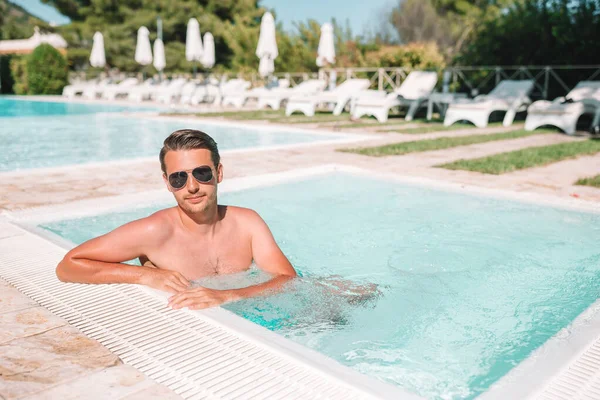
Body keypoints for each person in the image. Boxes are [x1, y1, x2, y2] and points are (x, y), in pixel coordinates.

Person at [56, 129, 297, 310]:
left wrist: (228, 295)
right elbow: (68, 265)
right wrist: (147, 275)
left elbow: (287, 279)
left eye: (202, 174)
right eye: (179, 178)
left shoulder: (247, 223)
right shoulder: (154, 232)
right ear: (167, 183)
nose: (191, 187)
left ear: (219, 173)